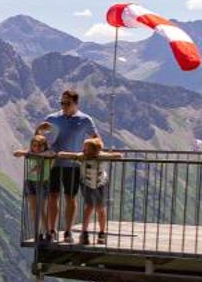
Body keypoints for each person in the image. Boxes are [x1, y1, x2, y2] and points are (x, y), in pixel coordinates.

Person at [39, 89, 100, 243]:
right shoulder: (52, 118)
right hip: (53, 164)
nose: (64, 106)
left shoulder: (85, 120)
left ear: (76, 104)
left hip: (73, 164)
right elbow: (40, 139)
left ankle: (67, 231)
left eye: (67, 103)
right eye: (62, 103)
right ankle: (52, 231)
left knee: (70, 198)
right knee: (53, 196)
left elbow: (97, 140)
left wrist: (88, 152)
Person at [70, 135, 124, 245]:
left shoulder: (102, 156)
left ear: (94, 150)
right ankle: (84, 233)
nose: (83, 150)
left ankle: (102, 233)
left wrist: (103, 156)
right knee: (89, 206)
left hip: (101, 184)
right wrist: (76, 155)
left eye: (86, 148)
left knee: (100, 208)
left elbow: (119, 156)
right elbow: (63, 154)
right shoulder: (82, 156)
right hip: (87, 183)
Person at [15, 127, 56, 240]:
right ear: (32, 146)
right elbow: (16, 154)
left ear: (44, 146)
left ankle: (47, 231)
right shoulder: (30, 153)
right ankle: (37, 233)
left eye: (40, 146)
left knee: (41, 208)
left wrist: (37, 155)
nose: (37, 148)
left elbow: (52, 153)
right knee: (33, 208)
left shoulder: (48, 154)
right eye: (34, 145)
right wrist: (27, 152)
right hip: (30, 181)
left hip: (42, 182)